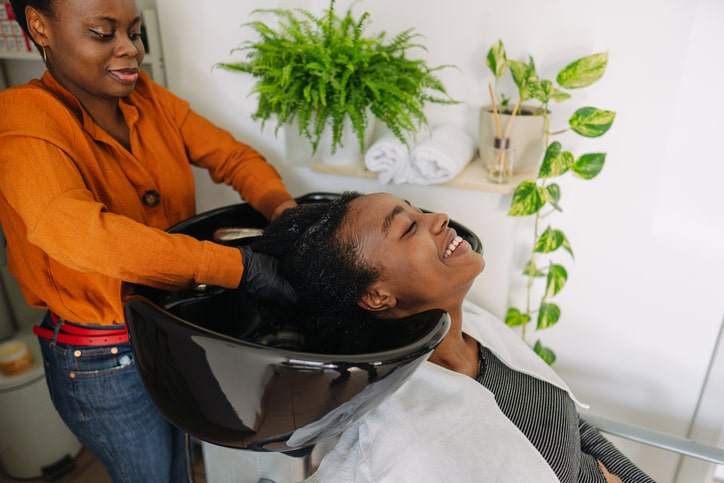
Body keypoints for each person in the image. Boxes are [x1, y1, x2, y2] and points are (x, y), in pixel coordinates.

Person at [0, 0, 297, 481]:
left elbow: (234, 157)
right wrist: (235, 266)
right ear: (40, 26)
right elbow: (90, 239)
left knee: (181, 464)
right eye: (102, 33)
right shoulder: (23, 121)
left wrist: (284, 211)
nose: (129, 50)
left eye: (135, 33)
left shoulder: (148, 100)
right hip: (104, 361)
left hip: (171, 332)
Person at [251, 191, 656, 483]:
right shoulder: (404, 439)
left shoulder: (477, 328)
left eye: (418, 210)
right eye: (409, 227)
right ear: (377, 296)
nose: (440, 216)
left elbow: (576, 431)